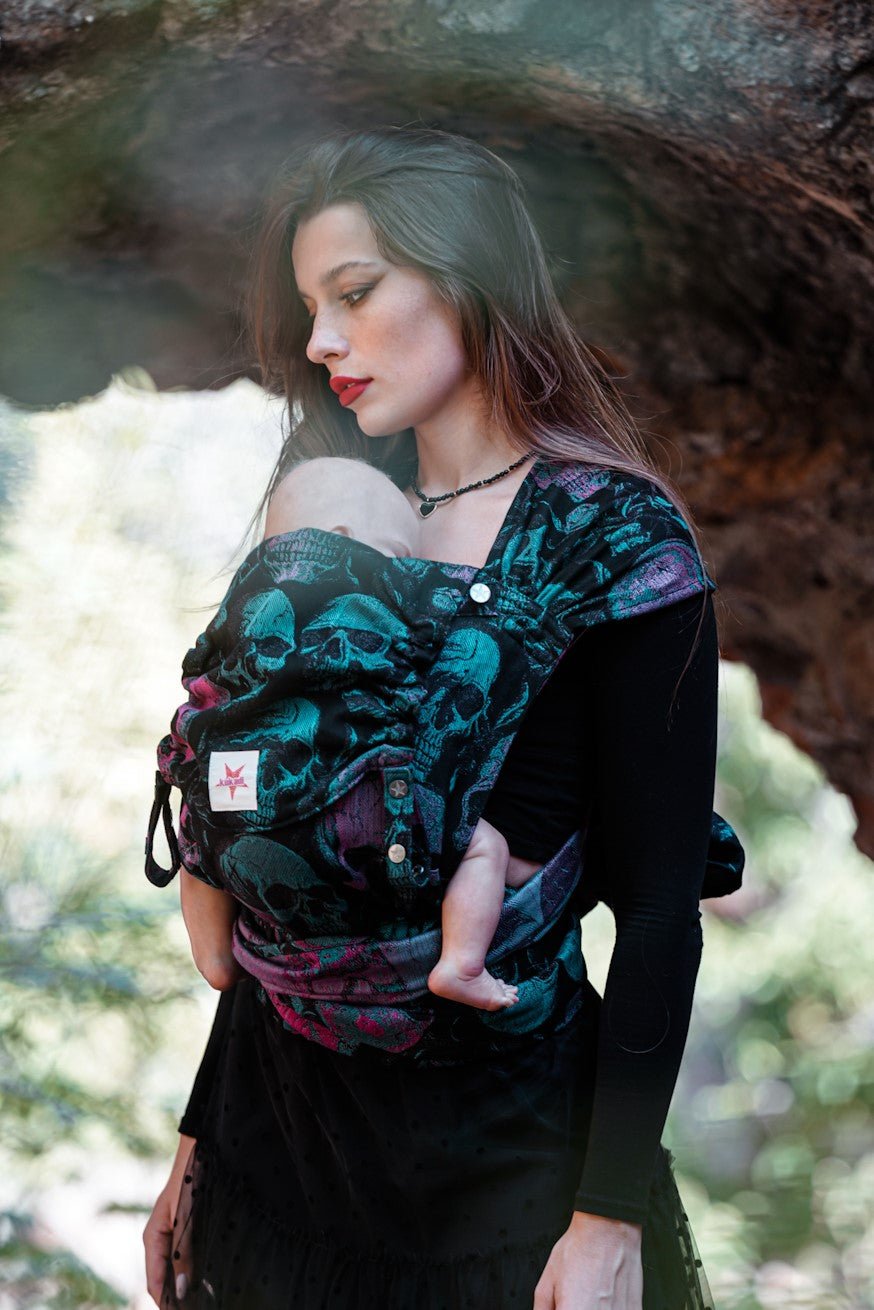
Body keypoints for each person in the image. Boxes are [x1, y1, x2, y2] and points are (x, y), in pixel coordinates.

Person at [143, 124, 743, 1309]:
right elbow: (276, 849)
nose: (320, 342)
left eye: (355, 292)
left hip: (510, 1180)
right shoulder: (326, 518)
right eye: (310, 307)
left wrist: (608, 1219)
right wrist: (194, 1144)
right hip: (278, 1151)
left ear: (468, 276)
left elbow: (659, 911)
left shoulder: (615, 540)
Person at [175, 452, 522, 1014]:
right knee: (488, 847)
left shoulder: (237, 606)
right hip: (357, 807)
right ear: (341, 537)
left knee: (196, 842)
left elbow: (198, 686)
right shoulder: (390, 590)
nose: (407, 568)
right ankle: (461, 964)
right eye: (402, 555)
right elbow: (470, 642)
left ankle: (213, 957)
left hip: (231, 794)